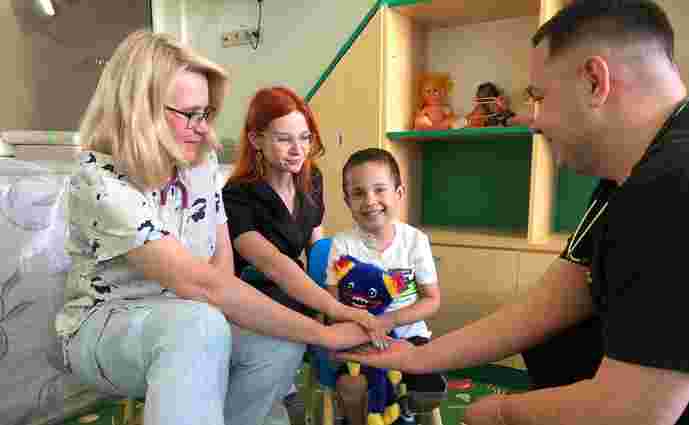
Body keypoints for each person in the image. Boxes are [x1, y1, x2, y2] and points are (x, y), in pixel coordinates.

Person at [338, 1, 689, 424]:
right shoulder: (628, 177)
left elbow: (636, 410)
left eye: (539, 97)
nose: (529, 119)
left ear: (595, 81)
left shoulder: (670, 186)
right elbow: (548, 304)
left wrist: (502, 413)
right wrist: (417, 357)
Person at [56, 30, 371, 425]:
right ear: (140, 110)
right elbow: (206, 286)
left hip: (192, 316)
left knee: (278, 345)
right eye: (191, 115)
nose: (205, 130)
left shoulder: (200, 165)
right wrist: (325, 333)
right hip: (105, 325)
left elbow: (221, 273)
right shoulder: (100, 182)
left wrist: (323, 320)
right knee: (197, 325)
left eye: (206, 114)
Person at [222, 87, 389, 422]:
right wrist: (334, 309)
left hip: (298, 288)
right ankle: (277, 392)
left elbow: (317, 245)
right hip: (251, 296)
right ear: (256, 140)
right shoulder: (236, 196)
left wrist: (337, 295)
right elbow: (274, 265)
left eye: (305, 137)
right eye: (284, 139)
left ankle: (351, 395)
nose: (298, 150)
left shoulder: (312, 179)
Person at [325, 148, 445, 425]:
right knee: (351, 387)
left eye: (380, 190)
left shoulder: (415, 240)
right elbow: (332, 305)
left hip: (409, 337)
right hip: (359, 336)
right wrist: (365, 328)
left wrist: (389, 321)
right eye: (358, 193)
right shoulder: (342, 245)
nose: (370, 201)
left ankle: (403, 410)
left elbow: (432, 300)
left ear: (399, 193)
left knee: (431, 391)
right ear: (347, 201)